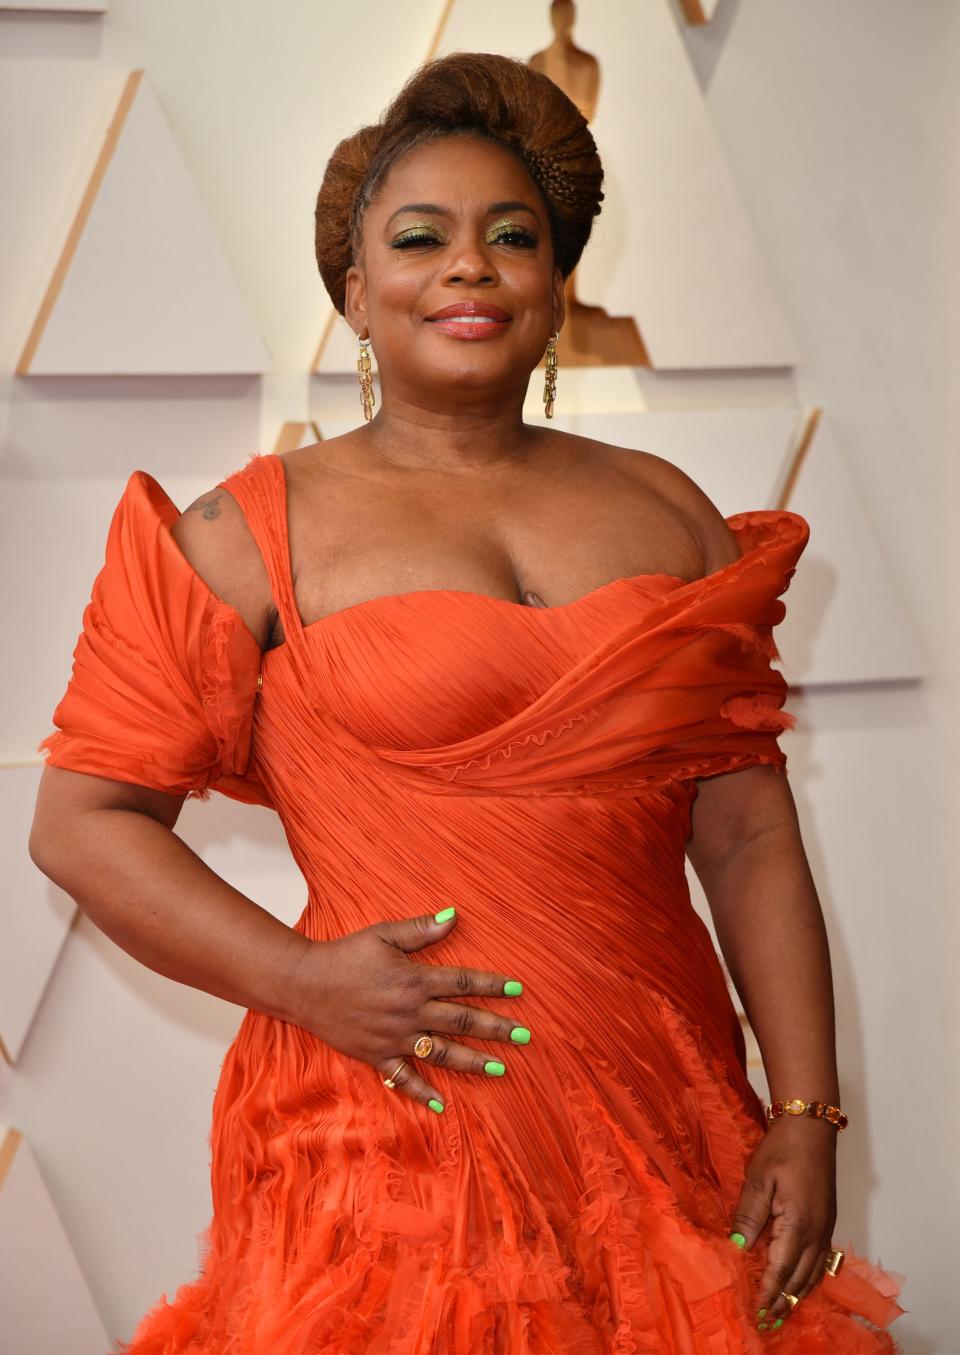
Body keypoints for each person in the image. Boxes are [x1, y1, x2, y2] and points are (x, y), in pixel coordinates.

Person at [30, 51, 904, 1354]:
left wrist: (804, 1112)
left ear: (557, 287)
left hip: (670, 1112)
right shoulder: (243, 533)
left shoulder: (667, 511)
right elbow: (83, 820)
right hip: (391, 1123)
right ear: (354, 293)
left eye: (514, 236)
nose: (470, 266)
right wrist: (301, 979)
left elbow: (749, 833)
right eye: (420, 237)